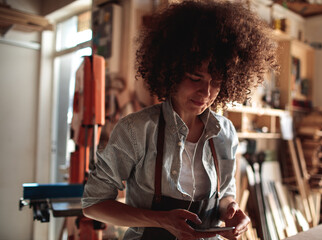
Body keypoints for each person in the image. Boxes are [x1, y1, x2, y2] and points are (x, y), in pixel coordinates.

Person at [82, 0, 277, 239]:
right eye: (195, 78)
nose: (206, 93)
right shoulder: (137, 129)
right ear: (171, 72)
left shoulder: (224, 132)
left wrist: (232, 211)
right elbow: (93, 204)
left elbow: (225, 194)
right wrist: (160, 220)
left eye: (215, 82)